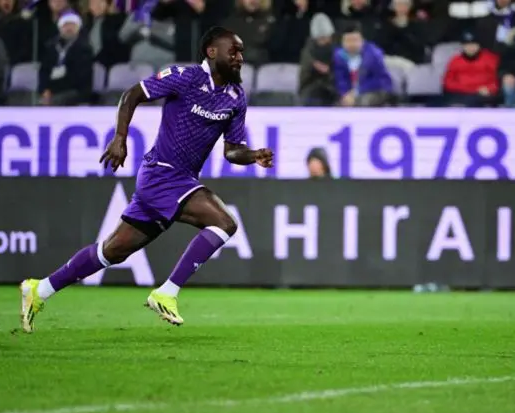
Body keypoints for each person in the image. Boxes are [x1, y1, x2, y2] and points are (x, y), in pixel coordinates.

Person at [20, 26, 274, 333]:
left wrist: (252, 155)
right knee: (225, 223)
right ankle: (167, 292)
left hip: (178, 180)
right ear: (212, 51)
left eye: (242, 51)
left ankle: (40, 289)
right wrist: (120, 138)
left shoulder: (236, 97)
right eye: (233, 51)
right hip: (162, 174)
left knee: (112, 251)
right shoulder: (185, 76)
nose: (240, 57)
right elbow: (132, 95)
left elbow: (231, 151)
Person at [333, 22, 393, 107]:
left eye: (354, 40)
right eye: (348, 40)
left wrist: (357, 91)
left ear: (362, 40)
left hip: (376, 90)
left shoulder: (373, 54)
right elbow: (341, 79)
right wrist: (345, 94)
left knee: (362, 102)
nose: (351, 44)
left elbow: (380, 80)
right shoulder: (339, 56)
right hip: (351, 93)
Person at [442, 31, 499, 107]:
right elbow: (448, 82)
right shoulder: (455, 61)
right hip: (461, 94)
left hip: (483, 95)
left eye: (473, 44)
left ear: (479, 45)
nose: (470, 48)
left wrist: (490, 88)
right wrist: (471, 89)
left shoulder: (490, 58)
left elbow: (497, 79)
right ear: (463, 46)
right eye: (467, 45)